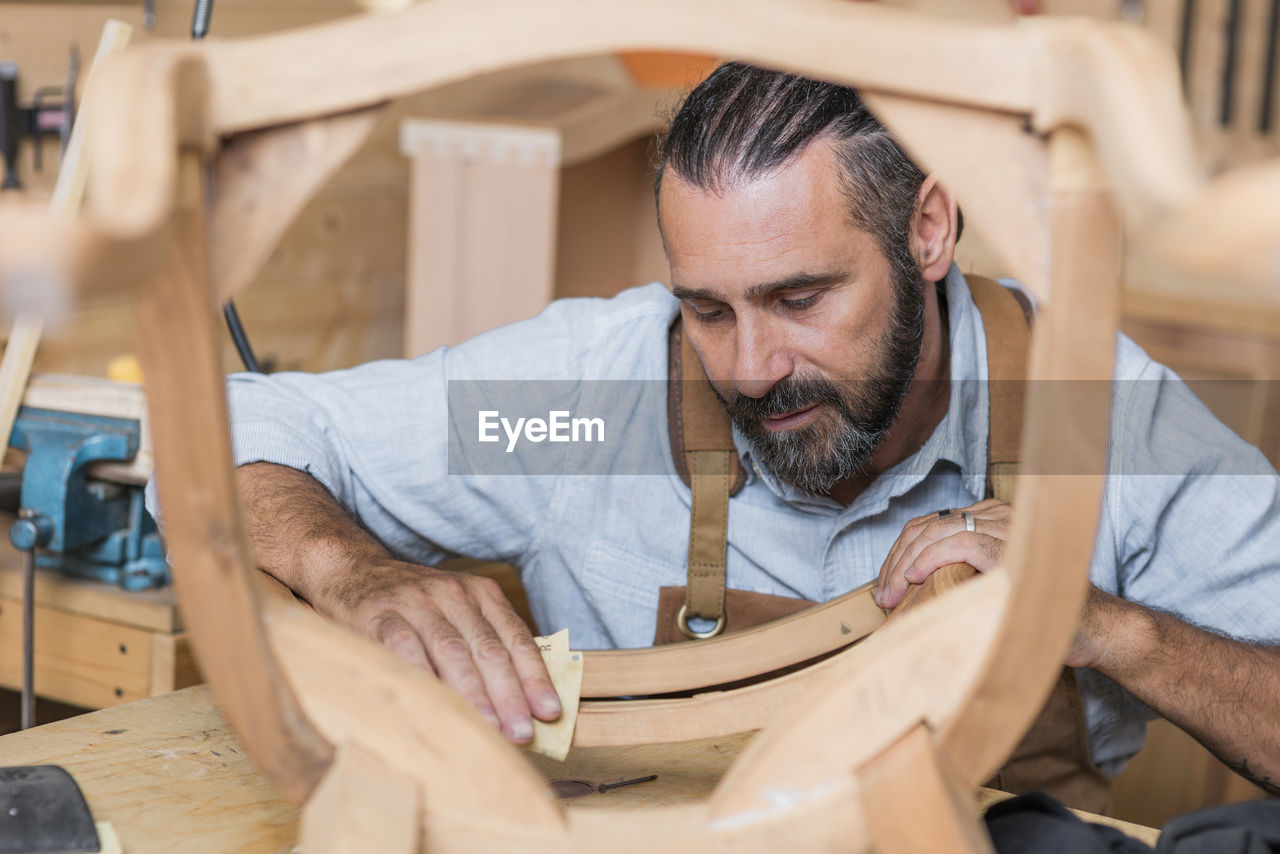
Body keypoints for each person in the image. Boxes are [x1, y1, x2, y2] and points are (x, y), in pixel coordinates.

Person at [217, 63, 1280, 800]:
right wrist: (349, 567)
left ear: (927, 229)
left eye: (800, 297)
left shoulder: (1106, 416)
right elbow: (246, 421)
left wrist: (1106, 625)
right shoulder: (579, 404)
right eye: (707, 307)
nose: (747, 367)